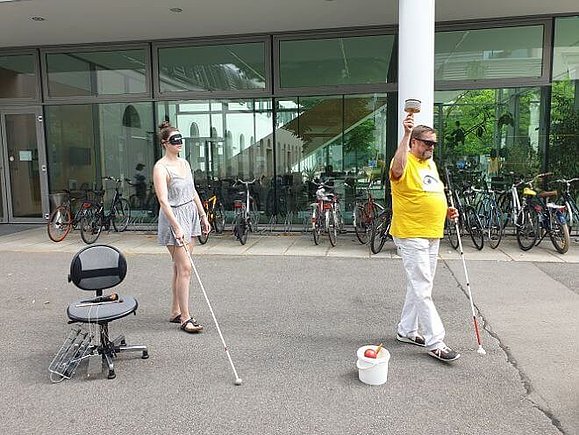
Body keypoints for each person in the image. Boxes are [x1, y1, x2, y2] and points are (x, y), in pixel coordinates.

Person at [389, 111, 460, 362]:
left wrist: (446, 210)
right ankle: (435, 341)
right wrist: (406, 133)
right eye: (427, 142)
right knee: (423, 288)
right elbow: (396, 171)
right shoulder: (404, 160)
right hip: (411, 233)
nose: (431, 147)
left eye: (434, 143)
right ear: (415, 142)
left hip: (432, 232)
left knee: (419, 286)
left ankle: (407, 330)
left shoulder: (430, 164)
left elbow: (431, 192)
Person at [153, 120, 210, 334]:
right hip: (173, 217)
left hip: (190, 214)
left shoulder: (184, 163)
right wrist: (176, 226)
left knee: (179, 266)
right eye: (175, 140)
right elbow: (163, 200)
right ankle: (186, 318)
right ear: (164, 143)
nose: (179, 143)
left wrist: (203, 216)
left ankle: (175, 310)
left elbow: (192, 190)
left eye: (180, 139)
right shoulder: (161, 167)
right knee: (185, 268)